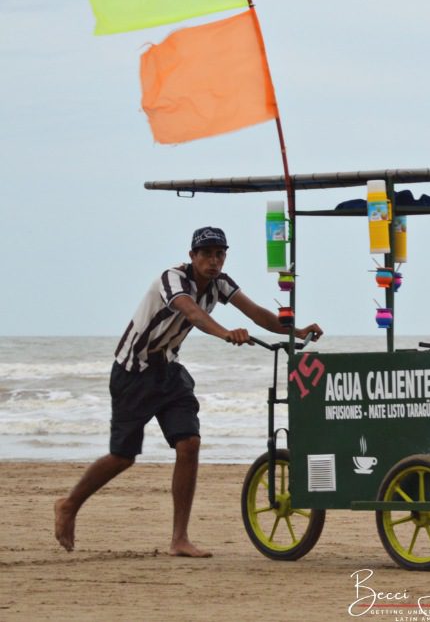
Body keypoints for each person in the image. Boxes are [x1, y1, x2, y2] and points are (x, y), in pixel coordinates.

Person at [54, 226, 322, 557]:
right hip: (133, 372)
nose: (213, 261)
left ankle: (179, 538)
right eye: (206, 254)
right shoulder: (173, 279)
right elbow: (192, 313)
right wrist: (226, 333)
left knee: (189, 443)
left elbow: (257, 313)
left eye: (219, 254)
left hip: (168, 370)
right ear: (192, 256)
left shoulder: (221, 283)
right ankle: (69, 504)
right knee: (122, 456)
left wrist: (297, 330)